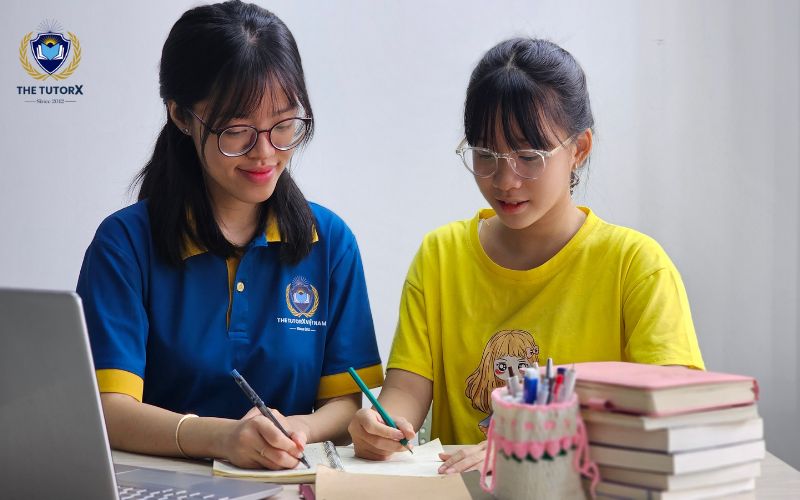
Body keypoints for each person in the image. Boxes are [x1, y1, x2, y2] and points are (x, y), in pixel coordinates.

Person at [348, 37, 705, 473]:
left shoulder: (636, 266)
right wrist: (380, 424)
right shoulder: (441, 255)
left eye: (528, 156)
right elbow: (406, 391)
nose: (505, 180)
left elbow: (674, 413)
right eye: (485, 154)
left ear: (580, 149)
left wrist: (524, 449)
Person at [77, 0, 383, 470]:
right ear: (181, 116)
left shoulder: (330, 242)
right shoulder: (125, 246)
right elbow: (108, 411)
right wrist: (222, 438)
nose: (265, 153)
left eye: (284, 125)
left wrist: (296, 429)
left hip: (289, 480)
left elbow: (344, 406)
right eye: (236, 129)